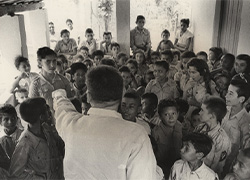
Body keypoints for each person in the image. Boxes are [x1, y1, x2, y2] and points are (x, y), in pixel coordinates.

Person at [52, 65, 157, 179]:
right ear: (122, 95)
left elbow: (63, 108)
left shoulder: (71, 125)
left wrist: (59, 94)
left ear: (88, 97)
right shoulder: (136, 134)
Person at [9, 97, 65, 179]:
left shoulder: (47, 130)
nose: (49, 112)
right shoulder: (25, 143)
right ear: (41, 117)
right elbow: (15, 173)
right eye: (46, 110)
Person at [194, 97, 231, 177]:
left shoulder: (222, 139)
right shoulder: (199, 128)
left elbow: (217, 168)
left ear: (212, 116)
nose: (199, 113)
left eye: (202, 110)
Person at [221, 74, 250, 175]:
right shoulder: (226, 109)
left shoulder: (245, 121)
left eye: (230, 94)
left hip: (228, 164)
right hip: (216, 154)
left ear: (241, 99)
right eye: (227, 92)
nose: (226, 96)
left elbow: (243, 148)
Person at [29, 47, 73, 111]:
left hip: (63, 117)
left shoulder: (64, 80)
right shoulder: (35, 84)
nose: (52, 65)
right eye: (48, 62)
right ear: (39, 62)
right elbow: (32, 107)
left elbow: (70, 101)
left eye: (54, 61)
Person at [152, 99, 182, 177]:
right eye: (166, 114)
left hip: (178, 165)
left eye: (173, 113)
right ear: (160, 116)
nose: (171, 117)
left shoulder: (180, 126)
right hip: (161, 166)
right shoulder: (156, 131)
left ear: (178, 114)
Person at [0, 104, 23, 170]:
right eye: (6, 119)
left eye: (13, 118)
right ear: (0, 122)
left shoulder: (23, 135)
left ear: (17, 118)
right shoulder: (0, 138)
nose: (10, 122)